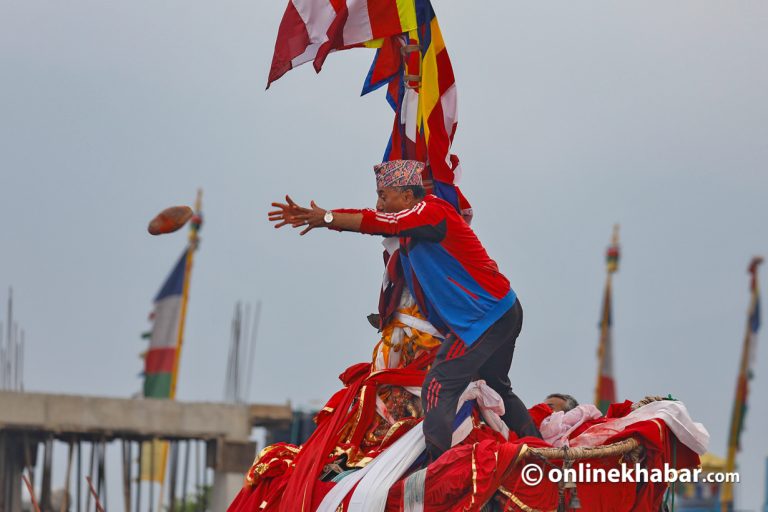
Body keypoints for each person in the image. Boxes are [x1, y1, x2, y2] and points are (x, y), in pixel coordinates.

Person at [268, 159, 541, 460]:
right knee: (498, 388)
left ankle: (440, 471)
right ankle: (543, 456)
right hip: (501, 310)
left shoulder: (431, 212)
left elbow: (379, 223)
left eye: (384, 196)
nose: (379, 203)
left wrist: (326, 218)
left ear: (408, 197)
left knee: (437, 386)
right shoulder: (414, 227)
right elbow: (376, 219)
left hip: (483, 319)